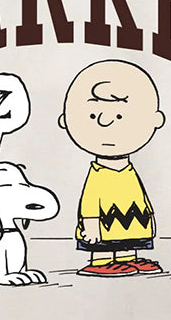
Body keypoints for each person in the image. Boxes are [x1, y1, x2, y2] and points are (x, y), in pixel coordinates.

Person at [58, 60, 165, 277]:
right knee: (105, 240)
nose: (106, 122)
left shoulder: (129, 171)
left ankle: (127, 257)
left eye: (119, 116)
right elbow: (90, 202)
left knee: (129, 235)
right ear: (66, 121)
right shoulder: (98, 175)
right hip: (103, 222)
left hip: (133, 219)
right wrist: (90, 225)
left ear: (156, 120)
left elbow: (139, 195)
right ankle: (101, 260)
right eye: (93, 116)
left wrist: (150, 217)